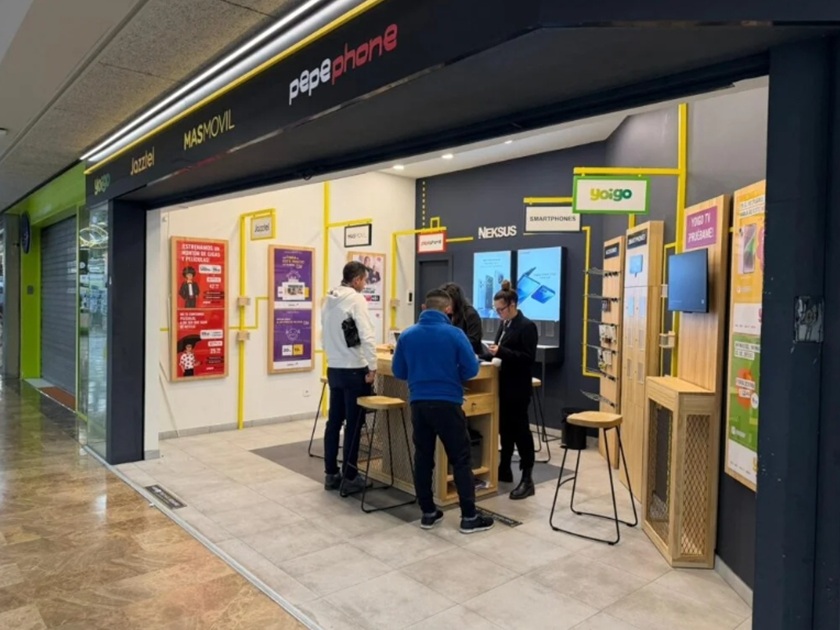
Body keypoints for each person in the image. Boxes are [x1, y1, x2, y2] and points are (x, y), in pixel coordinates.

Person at [392, 289, 495, 534]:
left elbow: (399, 372)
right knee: (460, 459)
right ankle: (469, 517)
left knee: (423, 458)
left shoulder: (407, 335)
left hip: (419, 404)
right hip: (448, 403)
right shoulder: (455, 334)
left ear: (423, 308)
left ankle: (428, 513)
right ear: (448, 309)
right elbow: (471, 370)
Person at [321, 261, 378, 494]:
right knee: (354, 425)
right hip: (354, 369)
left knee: (334, 422)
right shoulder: (356, 299)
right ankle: (351, 475)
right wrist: (372, 366)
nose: (365, 284)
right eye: (364, 280)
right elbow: (366, 334)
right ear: (356, 280)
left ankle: (331, 473)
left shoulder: (328, 299)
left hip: (334, 368)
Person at [484, 280, 538, 500]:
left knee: (520, 432)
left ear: (513, 304)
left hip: (517, 388)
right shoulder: (504, 324)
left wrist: (501, 352)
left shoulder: (526, 326)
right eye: (496, 310)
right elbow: (500, 351)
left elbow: (527, 358)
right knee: (504, 430)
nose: (499, 314)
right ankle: (504, 467)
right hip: (503, 386)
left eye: (501, 309)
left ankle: (527, 478)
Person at [441, 282, 483, 355]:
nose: (445, 306)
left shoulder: (470, 314)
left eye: (448, 302)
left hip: (469, 356)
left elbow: (473, 341)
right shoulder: (447, 315)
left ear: (455, 300)